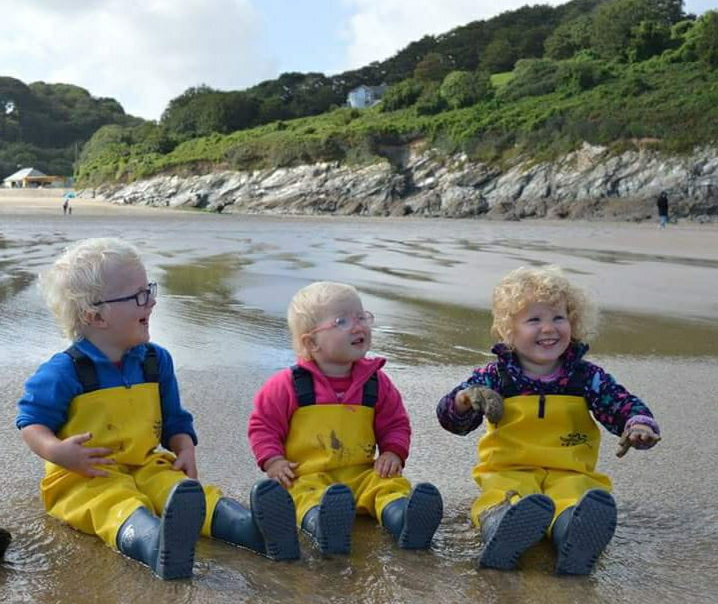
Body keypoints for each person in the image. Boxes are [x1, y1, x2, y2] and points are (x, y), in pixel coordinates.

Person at [16, 238, 299, 581]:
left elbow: (175, 418)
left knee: (184, 492)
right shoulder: (65, 371)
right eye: (138, 296)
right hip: (85, 475)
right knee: (116, 504)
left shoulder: (155, 361)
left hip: (146, 462)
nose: (152, 301)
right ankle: (154, 544)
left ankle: (250, 530)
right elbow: (31, 421)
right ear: (95, 315)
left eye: (149, 289)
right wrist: (56, 451)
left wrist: (184, 446)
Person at [436, 265, 660, 575]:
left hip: (570, 469)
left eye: (558, 317)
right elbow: (453, 421)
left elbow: (619, 402)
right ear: (509, 330)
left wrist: (637, 423)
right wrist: (463, 402)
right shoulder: (494, 377)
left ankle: (575, 535)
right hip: (509, 468)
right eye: (534, 320)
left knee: (575, 498)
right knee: (503, 497)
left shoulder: (585, 377)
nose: (549, 328)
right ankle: (501, 530)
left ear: (574, 322)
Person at [248, 281, 443, 556]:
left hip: (363, 474)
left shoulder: (376, 383)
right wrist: (274, 460)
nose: (358, 326)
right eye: (342, 321)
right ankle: (322, 524)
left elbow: (396, 423)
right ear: (311, 342)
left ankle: (404, 519)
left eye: (361, 317)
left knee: (389, 486)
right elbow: (263, 426)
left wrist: (393, 453)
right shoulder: (288, 385)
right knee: (302, 496)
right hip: (309, 475)